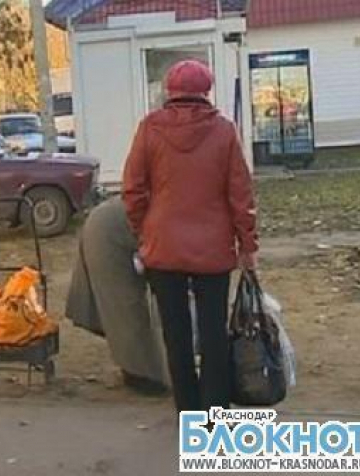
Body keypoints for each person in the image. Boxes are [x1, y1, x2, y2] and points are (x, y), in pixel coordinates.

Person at [122, 59, 258, 414]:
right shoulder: (224, 132)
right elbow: (241, 196)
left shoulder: (149, 129)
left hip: (163, 247)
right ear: (205, 91)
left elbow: (133, 190)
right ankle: (215, 415)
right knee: (213, 334)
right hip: (213, 250)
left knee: (176, 334)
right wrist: (248, 246)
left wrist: (144, 230)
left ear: (170, 91)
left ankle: (188, 412)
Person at [65, 197, 169, 395]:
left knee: (127, 310)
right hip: (108, 234)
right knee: (125, 310)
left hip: (110, 225)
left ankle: (143, 373)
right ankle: (141, 376)